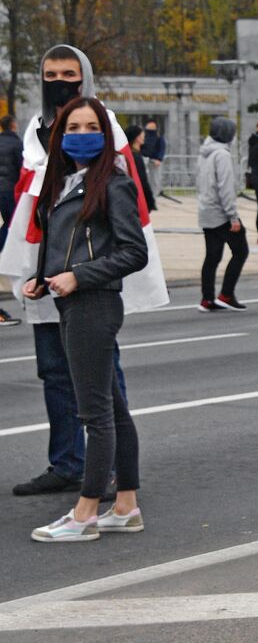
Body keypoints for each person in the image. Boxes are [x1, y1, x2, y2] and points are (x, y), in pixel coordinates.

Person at [2, 44, 154, 496]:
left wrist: (87, 273)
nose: (59, 83)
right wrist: (34, 271)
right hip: (49, 275)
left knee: (103, 386)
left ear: (84, 76)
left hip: (89, 284)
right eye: (50, 75)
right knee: (53, 372)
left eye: (69, 74)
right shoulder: (36, 131)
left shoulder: (103, 128)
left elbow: (128, 213)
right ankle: (68, 463)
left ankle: (111, 476)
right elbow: (36, 208)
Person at [23, 96, 147, 541]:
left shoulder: (113, 182)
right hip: (74, 302)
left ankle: (85, 513)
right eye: (73, 128)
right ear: (59, 136)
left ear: (105, 134)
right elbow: (63, 244)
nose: (81, 135)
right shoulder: (63, 182)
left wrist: (79, 276)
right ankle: (126, 507)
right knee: (114, 409)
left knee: (95, 414)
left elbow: (134, 252)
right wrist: (42, 278)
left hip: (94, 304)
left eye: (91, 127)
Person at [197, 117, 249, 312]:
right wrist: (232, 216)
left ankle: (207, 299)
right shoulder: (222, 155)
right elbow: (225, 187)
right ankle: (226, 294)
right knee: (241, 251)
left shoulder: (204, 153)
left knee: (212, 256)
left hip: (206, 210)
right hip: (220, 212)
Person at [0, 114, 19, 324]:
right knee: (11, 225)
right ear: (13, 125)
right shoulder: (16, 143)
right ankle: (8, 253)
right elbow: (20, 167)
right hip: (11, 191)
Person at [122, 125, 157, 213]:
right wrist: (150, 200)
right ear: (137, 138)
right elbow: (142, 179)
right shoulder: (135, 157)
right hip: (137, 197)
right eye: (142, 135)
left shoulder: (129, 154)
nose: (144, 137)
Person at [140, 119, 165, 197]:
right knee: (144, 178)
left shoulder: (159, 136)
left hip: (154, 160)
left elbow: (162, 148)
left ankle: (153, 196)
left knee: (155, 180)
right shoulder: (143, 135)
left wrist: (159, 159)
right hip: (144, 159)